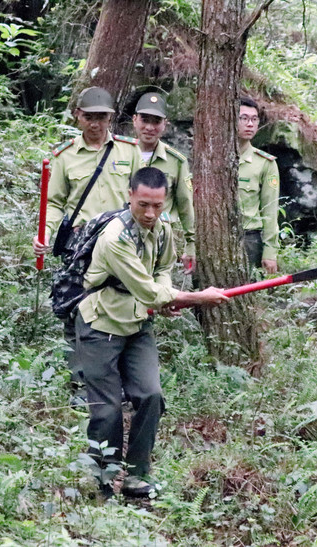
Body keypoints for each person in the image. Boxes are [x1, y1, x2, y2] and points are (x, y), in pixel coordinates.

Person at [73, 167, 228, 497]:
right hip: (101, 325)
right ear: (129, 196)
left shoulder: (163, 229)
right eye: (143, 204)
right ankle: (103, 475)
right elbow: (150, 292)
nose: (150, 213)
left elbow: (162, 272)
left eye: (157, 206)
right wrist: (196, 298)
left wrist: (167, 297)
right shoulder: (116, 238)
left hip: (138, 324)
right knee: (108, 407)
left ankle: (136, 474)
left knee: (151, 396)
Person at [32, 86, 142, 401]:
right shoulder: (64, 156)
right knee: (76, 310)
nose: (96, 124)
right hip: (79, 244)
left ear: (111, 118)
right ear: (78, 116)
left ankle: (119, 383)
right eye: (90, 117)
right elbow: (52, 202)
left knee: (120, 309)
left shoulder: (128, 151)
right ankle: (80, 383)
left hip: (120, 242)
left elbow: (143, 197)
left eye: (102, 117)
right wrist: (44, 233)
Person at [132, 92, 196, 274]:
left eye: (156, 121)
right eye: (145, 120)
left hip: (161, 240)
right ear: (134, 120)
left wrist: (191, 244)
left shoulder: (176, 161)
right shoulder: (121, 154)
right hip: (125, 237)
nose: (150, 127)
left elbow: (185, 205)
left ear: (165, 124)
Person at [237, 97, 281, 275]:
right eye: (244, 118)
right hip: (215, 237)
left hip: (249, 240)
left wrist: (270, 252)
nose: (250, 124)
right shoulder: (212, 156)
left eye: (254, 119)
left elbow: (270, 210)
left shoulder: (265, 163)